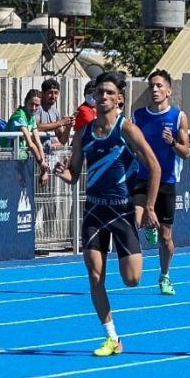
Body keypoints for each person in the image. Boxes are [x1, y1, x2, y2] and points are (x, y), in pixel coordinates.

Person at [54, 71, 161, 357]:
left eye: (109, 93)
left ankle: (141, 238)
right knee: (94, 273)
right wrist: (59, 171)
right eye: (99, 93)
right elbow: (73, 173)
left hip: (122, 211)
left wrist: (149, 205)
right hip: (94, 210)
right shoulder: (84, 133)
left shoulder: (127, 130)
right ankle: (111, 336)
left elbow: (155, 166)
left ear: (119, 99)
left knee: (132, 279)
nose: (102, 97)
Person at [131, 69, 190, 295]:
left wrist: (172, 142)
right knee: (135, 220)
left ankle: (165, 275)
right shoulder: (137, 116)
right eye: (151, 86)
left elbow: (185, 152)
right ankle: (147, 223)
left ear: (168, 90)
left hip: (166, 181)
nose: (154, 90)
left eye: (158, 86)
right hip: (143, 178)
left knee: (166, 238)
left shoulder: (178, 117)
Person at [4, 89, 50, 185]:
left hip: (20, 159)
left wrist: (43, 168)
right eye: (31, 104)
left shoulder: (32, 117)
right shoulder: (20, 115)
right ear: (25, 102)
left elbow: (38, 143)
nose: (33, 108)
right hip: (7, 159)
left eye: (37, 105)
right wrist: (41, 163)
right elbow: (30, 143)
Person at [35, 78, 75, 146]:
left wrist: (68, 127)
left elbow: (62, 141)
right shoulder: (36, 107)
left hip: (48, 154)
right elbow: (37, 127)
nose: (53, 96)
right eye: (50, 93)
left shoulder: (55, 111)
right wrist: (60, 122)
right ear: (43, 93)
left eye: (56, 93)